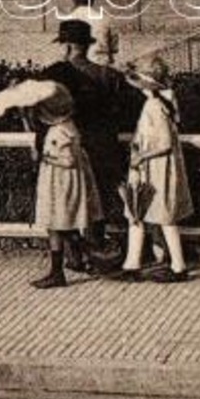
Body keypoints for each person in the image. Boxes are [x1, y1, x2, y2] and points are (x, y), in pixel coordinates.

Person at [0, 80, 99, 290]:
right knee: (60, 223)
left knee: (56, 224)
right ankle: (78, 258)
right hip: (66, 181)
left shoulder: (58, 132)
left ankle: (66, 266)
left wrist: (47, 158)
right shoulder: (68, 126)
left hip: (59, 182)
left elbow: (67, 160)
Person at [39, 19, 127, 268]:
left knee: (61, 206)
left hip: (66, 147)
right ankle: (95, 252)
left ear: (66, 46)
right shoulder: (108, 75)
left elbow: (43, 112)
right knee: (93, 204)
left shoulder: (54, 73)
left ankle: (73, 256)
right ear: (87, 46)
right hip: (101, 147)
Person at [120, 57, 195, 283]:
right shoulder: (166, 101)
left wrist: (139, 156)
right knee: (140, 213)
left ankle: (178, 266)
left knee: (158, 215)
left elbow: (163, 143)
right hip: (159, 167)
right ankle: (132, 264)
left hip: (156, 168)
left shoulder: (153, 106)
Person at [61, 0, 119, 67]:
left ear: (74, 0)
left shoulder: (68, 20)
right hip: (101, 65)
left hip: (77, 68)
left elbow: (65, 52)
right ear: (92, 0)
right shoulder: (105, 19)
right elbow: (114, 49)